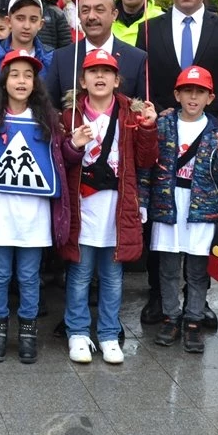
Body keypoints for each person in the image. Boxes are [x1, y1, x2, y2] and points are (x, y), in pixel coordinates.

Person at [0, 50, 85, 363]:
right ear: (4, 80)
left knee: (29, 276)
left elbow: (57, 162)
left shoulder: (48, 119)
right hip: (0, 212)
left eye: (28, 75)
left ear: (36, 82)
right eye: (15, 74)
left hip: (34, 216)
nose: (21, 81)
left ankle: (28, 333)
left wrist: (74, 145)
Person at [59, 50, 158, 364]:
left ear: (117, 80)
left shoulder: (132, 113)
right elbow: (61, 160)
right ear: (82, 80)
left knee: (114, 277)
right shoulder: (70, 115)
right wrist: (73, 146)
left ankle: (108, 334)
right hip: (82, 207)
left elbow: (146, 160)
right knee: (79, 274)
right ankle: (77, 332)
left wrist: (148, 129)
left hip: (118, 208)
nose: (99, 77)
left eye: (106, 72)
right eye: (93, 72)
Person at [139, 65, 218, 354]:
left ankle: (193, 319)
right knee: (168, 268)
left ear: (210, 97)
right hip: (168, 203)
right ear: (177, 94)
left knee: (197, 269)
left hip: (201, 209)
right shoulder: (163, 124)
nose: (193, 98)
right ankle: (171, 315)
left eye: (200, 92)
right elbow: (147, 166)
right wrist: (143, 201)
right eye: (188, 91)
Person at [46, 0, 146, 107]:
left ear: (114, 15)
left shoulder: (136, 58)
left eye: (99, 10)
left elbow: (143, 109)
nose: (91, 16)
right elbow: (50, 107)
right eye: (85, 11)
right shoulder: (61, 58)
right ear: (78, 16)